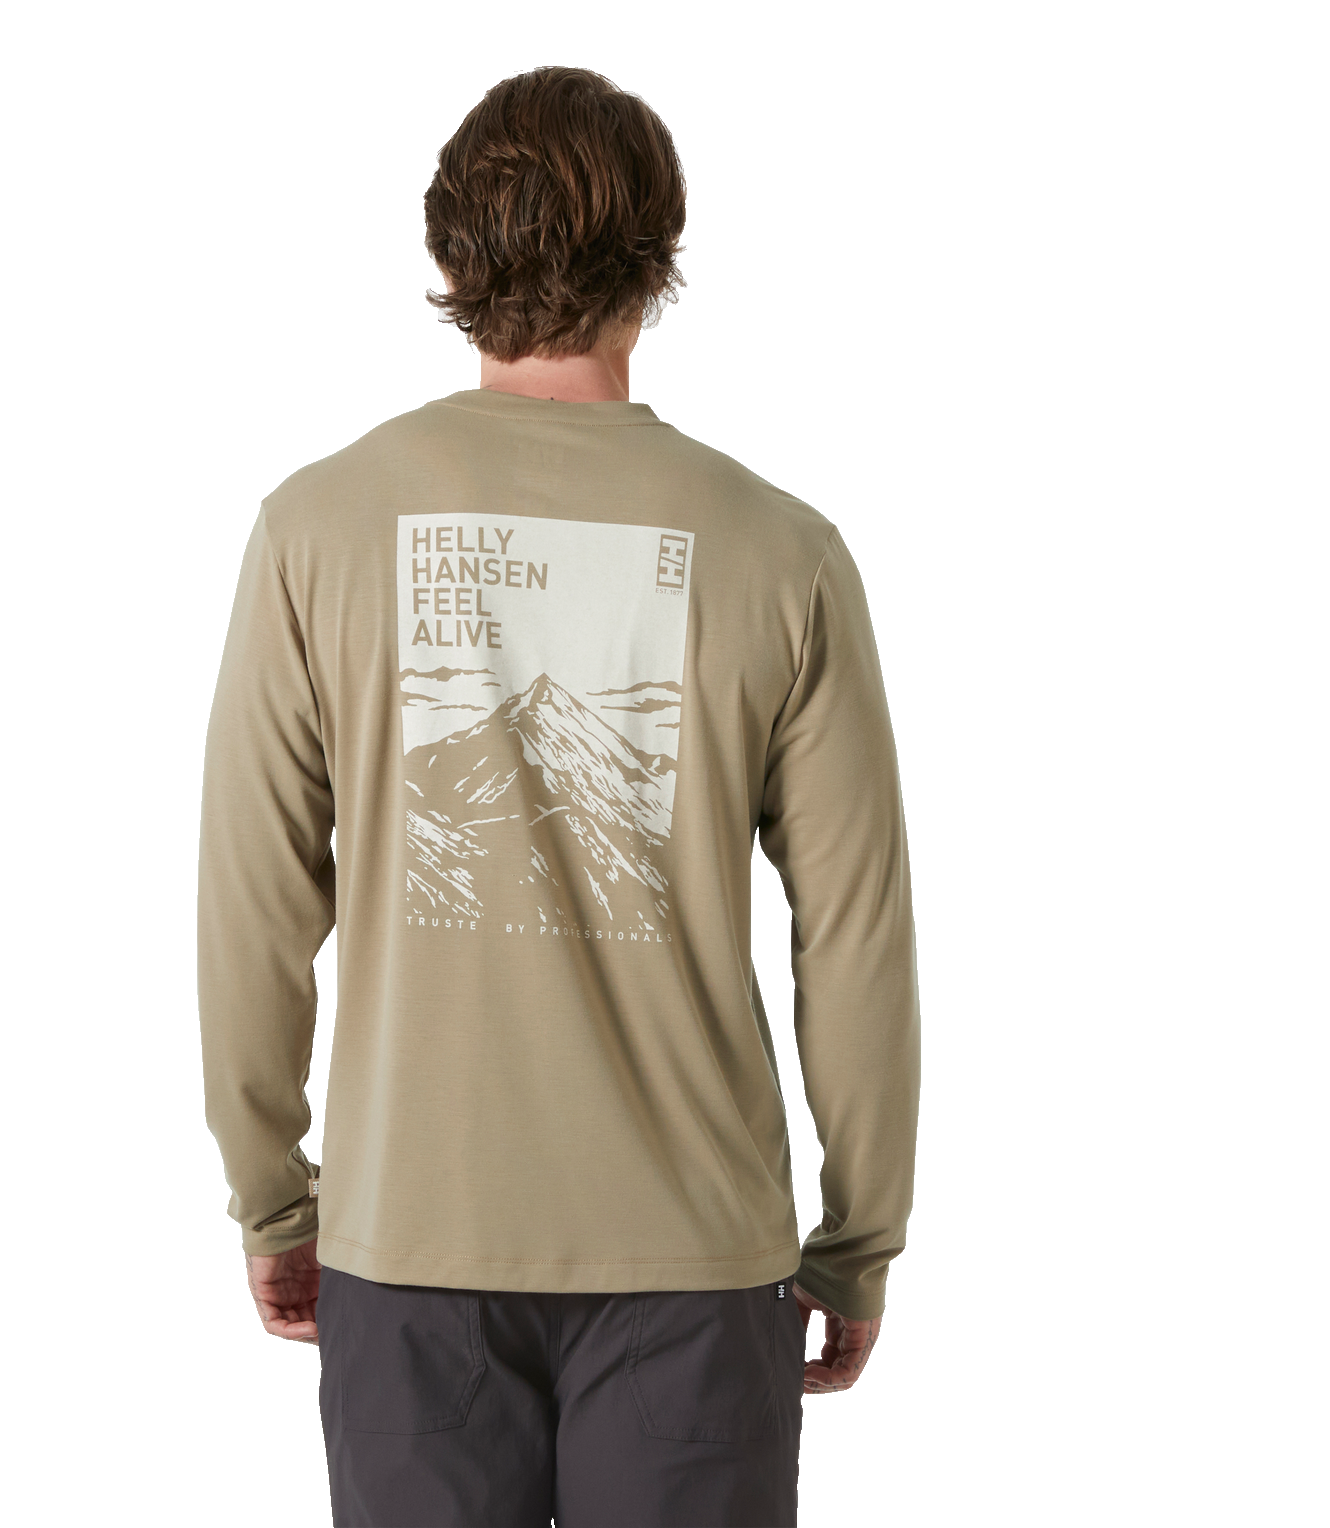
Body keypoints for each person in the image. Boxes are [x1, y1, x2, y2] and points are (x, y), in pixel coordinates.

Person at [199, 65, 920, 1528]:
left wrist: (275, 1193)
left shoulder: (315, 531)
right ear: (658, 259)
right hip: (697, 1266)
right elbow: (855, 931)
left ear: (450, 252)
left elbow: (251, 903)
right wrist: (861, 1235)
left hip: (410, 1248)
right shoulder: (782, 555)